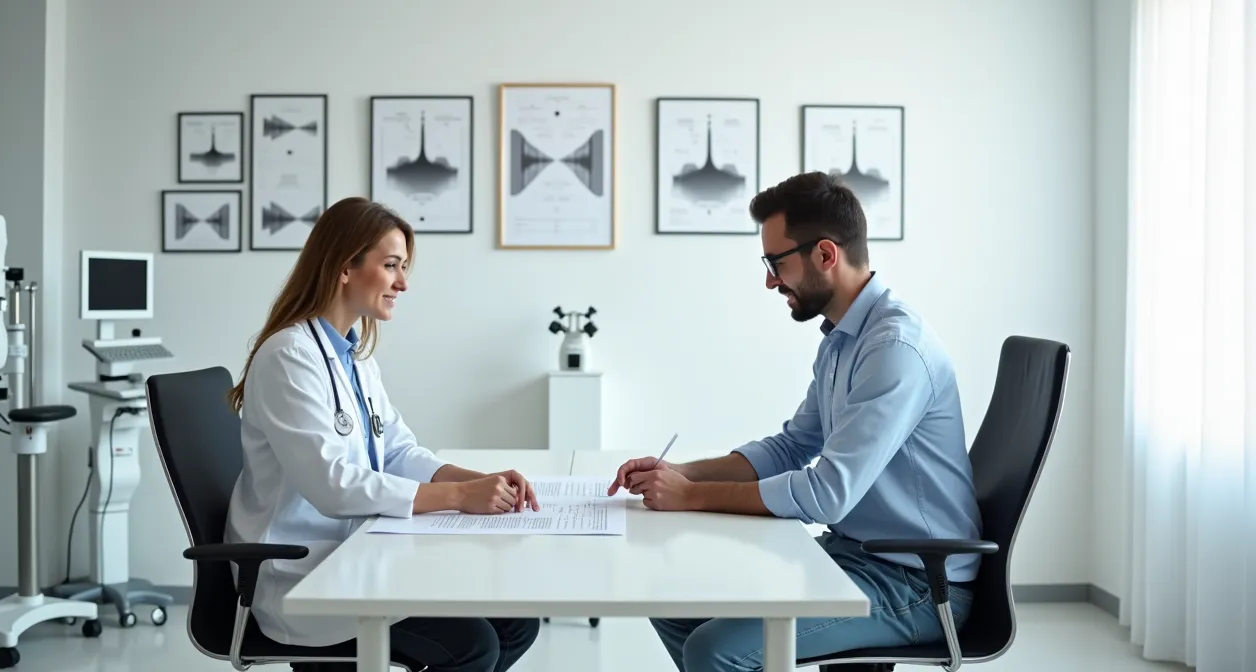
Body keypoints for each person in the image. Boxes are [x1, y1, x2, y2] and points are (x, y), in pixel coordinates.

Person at [607, 172, 983, 672]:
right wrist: (681, 473)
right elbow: (790, 448)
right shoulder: (845, 337)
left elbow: (826, 494)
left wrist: (691, 497)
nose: (769, 280)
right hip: (856, 555)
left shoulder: (893, 349)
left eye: (775, 263)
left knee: (713, 649)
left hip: (918, 583)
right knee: (672, 601)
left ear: (825, 255)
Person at [224, 196, 541, 672]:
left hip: (357, 552)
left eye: (404, 267)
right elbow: (332, 486)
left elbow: (396, 450)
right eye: (391, 265)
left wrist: (482, 482)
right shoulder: (289, 356)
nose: (403, 283)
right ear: (344, 268)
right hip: (304, 575)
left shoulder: (356, 355)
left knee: (517, 622)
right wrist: (458, 495)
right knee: (473, 643)